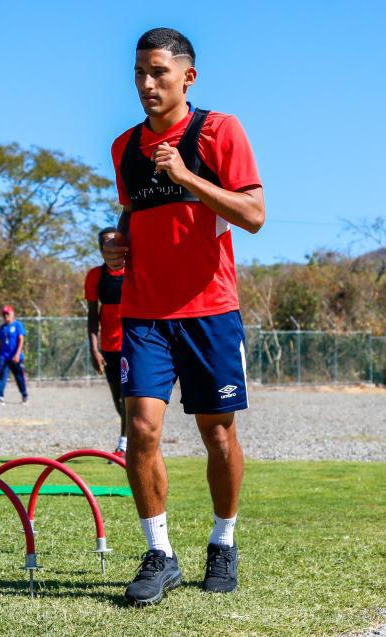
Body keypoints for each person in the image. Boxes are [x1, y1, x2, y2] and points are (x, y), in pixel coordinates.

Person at [105, 28, 265, 605]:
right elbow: (131, 219)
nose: (147, 85)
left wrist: (189, 178)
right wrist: (113, 245)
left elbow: (254, 214)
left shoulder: (220, 131)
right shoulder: (124, 147)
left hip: (210, 312)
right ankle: (160, 554)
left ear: (187, 77)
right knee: (141, 428)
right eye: (139, 74)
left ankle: (223, 541)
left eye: (159, 73)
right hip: (144, 312)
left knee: (216, 434)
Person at [84, 227, 127, 458]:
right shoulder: (95, 276)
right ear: (101, 249)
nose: (111, 247)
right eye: (105, 244)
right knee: (117, 400)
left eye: (115, 242)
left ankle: (124, 444)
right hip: (109, 347)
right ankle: (131, 438)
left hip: (134, 345)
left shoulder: (135, 270)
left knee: (129, 398)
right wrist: (94, 348)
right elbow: (92, 315)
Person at [0, 305, 29, 405]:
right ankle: (0, 397)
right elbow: (0, 343)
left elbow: (21, 340)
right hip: (4, 357)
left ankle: (24, 395)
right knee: (2, 377)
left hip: (15, 357)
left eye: (7, 314)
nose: (5, 316)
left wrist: (17, 354)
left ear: (12, 314)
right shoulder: (2, 327)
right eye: (4, 314)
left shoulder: (18, 325)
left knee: (19, 377)